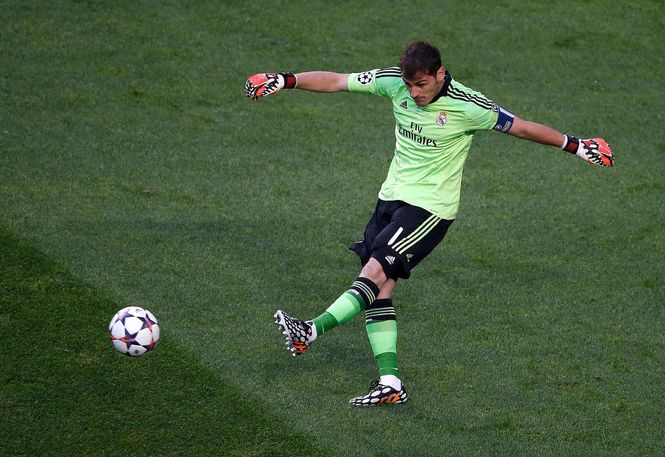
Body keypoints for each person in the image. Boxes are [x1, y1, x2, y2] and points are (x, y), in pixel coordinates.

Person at [244, 41, 614, 407]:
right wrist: (286, 80)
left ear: (440, 74)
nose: (413, 93)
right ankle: (390, 383)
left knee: (373, 273)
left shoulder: (469, 106)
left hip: (429, 210)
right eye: (408, 86)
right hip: (390, 200)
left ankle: (309, 330)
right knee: (379, 290)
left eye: (421, 85)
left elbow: (521, 128)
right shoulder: (395, 82)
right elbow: (339, 81)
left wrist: (577, 146)